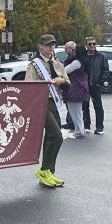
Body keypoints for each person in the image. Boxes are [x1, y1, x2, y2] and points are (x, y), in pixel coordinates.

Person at [24, 34, 70, 188]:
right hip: (41, 103)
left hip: (56, 102)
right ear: (40, 46)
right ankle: (44, 170)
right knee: (57, 136)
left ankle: (49, 171)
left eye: (52, 45)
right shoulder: (34, 65)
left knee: (51, 137)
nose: (50, 48)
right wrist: (45, 83)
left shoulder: (58, 63)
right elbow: (28, 85)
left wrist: (61, 80)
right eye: (47, 45)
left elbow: (68, 82)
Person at [63, 43, 90, 139]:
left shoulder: (76, 62)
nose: (72, 52)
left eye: (74, 51)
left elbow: (64, 71)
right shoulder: (82, 61)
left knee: (75, 112)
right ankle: (80, 130)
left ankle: (79, 132)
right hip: (79, 89)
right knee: (77, 112)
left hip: (74, 90)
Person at [82, 37, 108, 135]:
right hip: (84, 84)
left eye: (94, 43)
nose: (92, 45)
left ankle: (100, 127)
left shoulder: (101, 56)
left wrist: (101, 81)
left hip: (95, 84)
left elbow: (105, 70)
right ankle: (86, 125)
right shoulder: (83, 56)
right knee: (84, 106)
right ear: (86, 46)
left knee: (98, 107)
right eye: (90, 44)